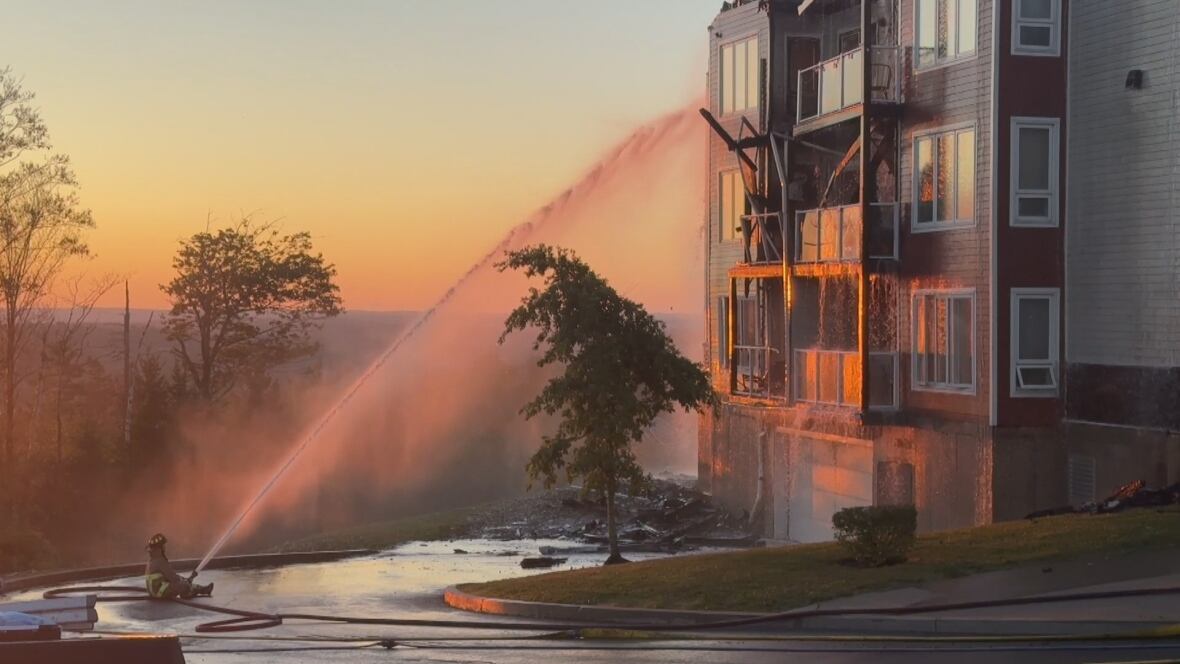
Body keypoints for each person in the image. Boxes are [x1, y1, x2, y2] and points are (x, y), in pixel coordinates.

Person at [144, 533, 213, 599]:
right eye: (163, 546)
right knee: (184, 586)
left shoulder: (153, 559)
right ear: (159, 548)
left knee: (183, 582)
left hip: (155, 591)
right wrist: (186, 581)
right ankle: (190, 592)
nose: (165, 547)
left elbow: (168, 576)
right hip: (159, 592)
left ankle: (203, 589)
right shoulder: (160, 560)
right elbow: (173, 578)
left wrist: (185, 579)